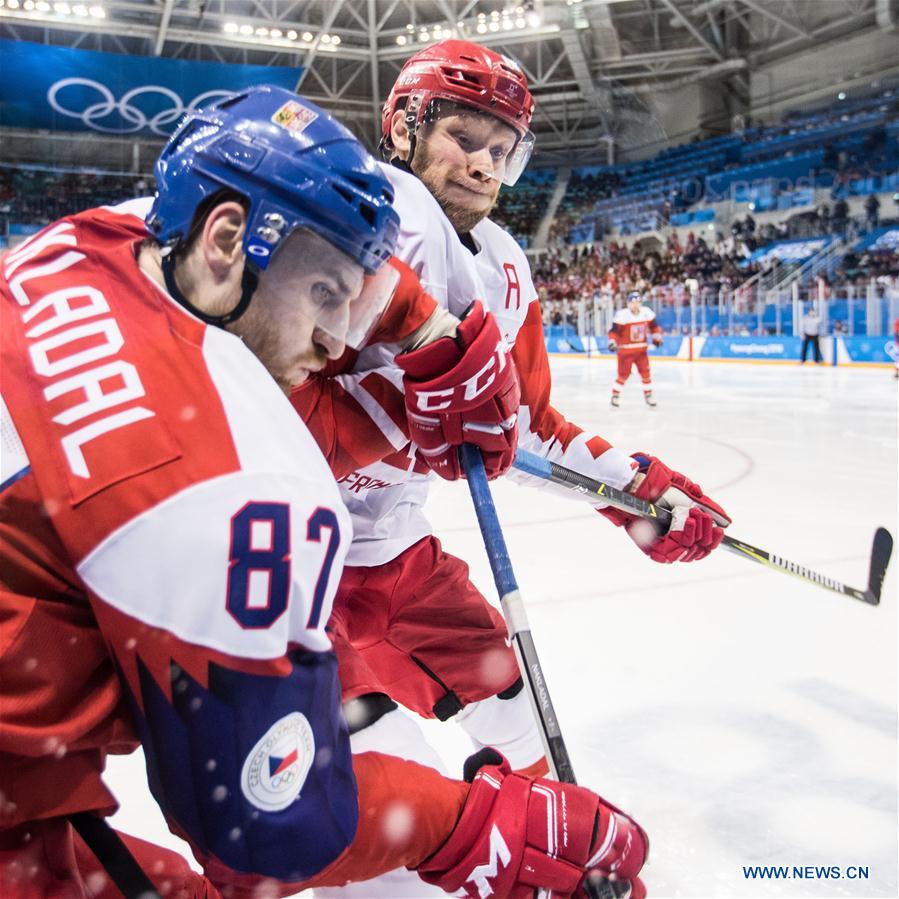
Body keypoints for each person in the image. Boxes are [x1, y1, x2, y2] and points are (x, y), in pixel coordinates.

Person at [0, 85, 648, 899]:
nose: (338, 340)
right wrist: (464, 824)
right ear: (229, 238)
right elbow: (266, 832)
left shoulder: (89, 242)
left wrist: (427, 332)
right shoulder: (236, 493)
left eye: (355, 302)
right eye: (324, 295)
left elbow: (339, 272)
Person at [291, 42, 732, 896]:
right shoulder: (357, 211)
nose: (485, 163)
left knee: (514, 708)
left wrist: (637, 492)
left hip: (397, 558)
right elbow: (255, 393)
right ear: (405, 125)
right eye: (463, 135)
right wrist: (396, 414)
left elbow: (522, 428)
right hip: (289, 575)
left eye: (503, 150)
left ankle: (549, 847)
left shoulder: (503, 263)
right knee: (377, 828)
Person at [608, 291, 664, 406]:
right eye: (632, 302)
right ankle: (615, 395)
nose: (635, 305)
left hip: (641, 351)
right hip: (625, 352)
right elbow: (614, 331)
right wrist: (612, 341)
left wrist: (657, 337)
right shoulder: (622, 315)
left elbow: (655, 327)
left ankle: (648, 396)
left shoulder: (646, 313)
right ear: (628, 304)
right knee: (623, 375)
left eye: (637, 302)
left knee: (646, 373)